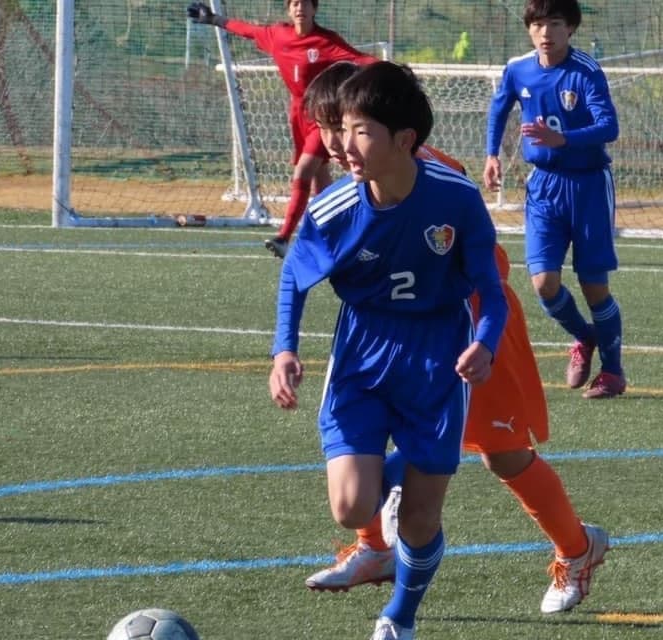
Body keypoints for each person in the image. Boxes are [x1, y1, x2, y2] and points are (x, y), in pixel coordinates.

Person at [300, 60, 610, 615]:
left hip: (471, 327)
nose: (334, 144)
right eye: (329, 130)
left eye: (341, 128)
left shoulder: (424, 173)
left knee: (504, 454)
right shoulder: (362, 181)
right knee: (369, 433)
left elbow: (475, 265)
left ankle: (577, 547)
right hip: (409, 338)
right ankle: (374, 547)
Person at [268, 61, 508, 640]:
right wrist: (284, 349)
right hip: (363, 352)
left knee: (421, 519)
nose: (343, 146)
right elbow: (294, 275)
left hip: (437, 354)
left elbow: (492, 291)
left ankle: (400, 616)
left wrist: (485, 342)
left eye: (360, 131)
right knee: (352, 508)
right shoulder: (334, 209)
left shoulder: (455, 200)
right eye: (341, 130)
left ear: (404, 140)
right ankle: (400, 474)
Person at [484, 0, 627, 399]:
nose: (545, 33)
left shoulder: (585, 72)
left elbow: (609, 126)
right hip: (544, 187)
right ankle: (585, 337)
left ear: (571, 28)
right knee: (544, 283)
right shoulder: (518, 69)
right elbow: (499, 108)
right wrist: (492, 154)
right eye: (538, 25)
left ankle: (613, 373)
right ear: (529, 29)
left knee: (593, 285)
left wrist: (564, 139)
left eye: (555, 24)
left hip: (588, 187)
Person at [186, 0, 377, 258]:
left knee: (304, 170)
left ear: (314, 9)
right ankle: (342, 234)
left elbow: (358, 58)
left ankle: (284, 236)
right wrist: (213, 20)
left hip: (321, 117)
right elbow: (248, 30)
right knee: (320, 182)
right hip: (297, 114)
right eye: (295, 3)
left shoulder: (325, 40)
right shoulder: (278, 35)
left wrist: (389, 68)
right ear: (289, 9)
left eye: (306, 3)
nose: (300, 8)